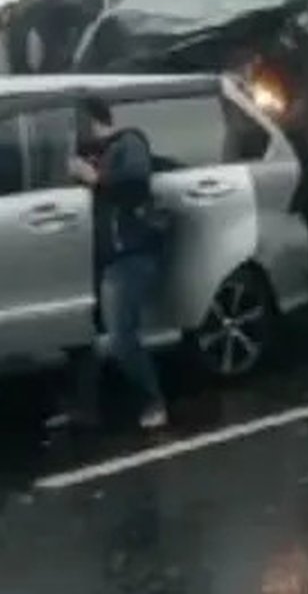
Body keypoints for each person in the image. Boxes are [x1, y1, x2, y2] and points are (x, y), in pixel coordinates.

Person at [68, 96, 168, 430]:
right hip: (101, 257)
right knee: (85, 339)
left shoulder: (128, 143)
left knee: (121, 336)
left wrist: (95, 179)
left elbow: (135, 184)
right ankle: (85, 409)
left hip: (130, 254)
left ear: (94, 120)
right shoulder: (93, 156)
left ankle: (153, 400)